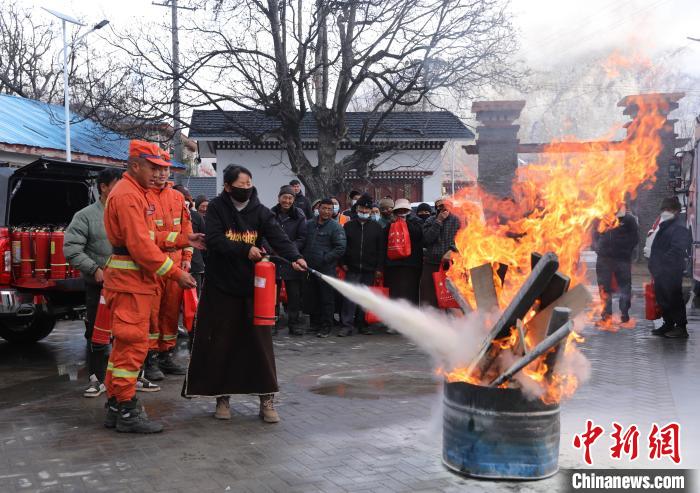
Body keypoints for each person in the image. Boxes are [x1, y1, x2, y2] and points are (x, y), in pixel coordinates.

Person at [185, 166, 307, 423]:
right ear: (228, 187)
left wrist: (295, 257)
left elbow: (279, 238)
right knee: (222, 342)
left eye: (249, 184)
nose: (246, 189)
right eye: (241, 185)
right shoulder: (217, 208)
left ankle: (267, 399)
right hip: (220, 286)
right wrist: (244, 249)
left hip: (253, 288)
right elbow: (214, 239)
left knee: (259, 344)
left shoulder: (261, 212)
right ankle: (222, 397)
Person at [102, 140, 200, 433]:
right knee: (132, 345)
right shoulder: (128, 195)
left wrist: (184, 240)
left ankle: (116, 404)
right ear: (135, 166)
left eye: (162, 168)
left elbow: (150, 237)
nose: (159, 173)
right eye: (153, 167)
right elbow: (141, 246)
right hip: (130, 284)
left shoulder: (135, 192)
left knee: (124, 347)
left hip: (134, 282)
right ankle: (127, 409)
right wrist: (175, 273)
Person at [64, 168, 123, 398]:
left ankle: (129, 377)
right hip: (99, 287)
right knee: (97, 333)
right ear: (104, 187)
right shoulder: (85, 216)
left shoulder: (129, 212)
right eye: (117, 184)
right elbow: (71, 248)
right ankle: (97, 378)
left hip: (127, 285)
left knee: (127, 332)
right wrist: (94, 269)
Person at [143, 165, 194, 381]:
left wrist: (187, 257)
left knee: (171, 312)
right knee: (152, 313)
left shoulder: (177, 197)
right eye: (158, 169)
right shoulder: (143, 195)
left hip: (176, 264)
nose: (163, 173)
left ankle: (166, 354)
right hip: (153, 264)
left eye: (166, 169)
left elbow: (186, 229)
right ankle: (150, 358)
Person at [339, 194, 385, 336]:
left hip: (369, 269)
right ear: (357, 208)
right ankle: (346, 325)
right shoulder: (348, 226)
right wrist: (343, 262)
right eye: (361, 208)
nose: (364, 211)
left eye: (367, 209)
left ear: (371, 211)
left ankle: (363, 324)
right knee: (349, 298)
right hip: (351, 268)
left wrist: (379, 268)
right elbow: (342, 246)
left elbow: (381, 250)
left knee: (365, 298)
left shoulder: (377, 228)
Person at [648, 196, 692, 339]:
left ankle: (681, 327)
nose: (665, 212)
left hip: (671, 270)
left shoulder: (679, 227)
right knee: (663, 298)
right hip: (661, 270)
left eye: (668, 209)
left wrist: (661, 262)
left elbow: (677, 249)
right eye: (664, 209)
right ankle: (668, 323)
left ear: (676, 211)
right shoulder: (665, 225)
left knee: (674, 298)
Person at [302, 198, 346, 338]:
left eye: (329, 209)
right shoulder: (309, 224)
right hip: (309, 268)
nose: (326, 211)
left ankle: (326, 326)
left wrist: (325, 259)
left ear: (333, 211)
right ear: (318, 209)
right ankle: (314, 324)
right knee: (312, 296)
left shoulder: (335, 227)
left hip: (326, 269)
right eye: (324, 208)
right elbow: (302, 241)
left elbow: (340, 248)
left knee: (327, 299)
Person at [270, 185, 307, 336]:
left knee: (294, 295)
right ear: (279, 198)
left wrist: (289, 250)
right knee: (272, 295)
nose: (287, 201)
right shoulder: (270, 214)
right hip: (274, 259)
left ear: (294, 200)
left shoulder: (299, 216)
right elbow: (264, 235)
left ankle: (294, 324)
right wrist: (273, 250)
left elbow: (302, 238)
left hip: (293, 260)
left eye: (290, 198)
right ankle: (272, 323)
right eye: (284, 197)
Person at [593, 206, 639, 324]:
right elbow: (594, 236)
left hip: (622, 258)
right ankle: (606, 315)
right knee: (604, 287)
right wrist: (597, 248)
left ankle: (624, 313)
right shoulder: (600, 218)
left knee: (625, 286)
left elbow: (635, 238)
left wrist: (626, 251)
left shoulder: (628, 219)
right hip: (604, 259)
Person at [421, 197, 460, 307]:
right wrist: (438, 221)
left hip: (451, 264)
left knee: (451, 296)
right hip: (432, 263)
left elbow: (463, 239)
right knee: (430, 295)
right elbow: (427, 239)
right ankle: (431, 315)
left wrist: (452, 250)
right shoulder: (430, 220)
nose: (443, 208)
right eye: (440, 206)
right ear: (436, 208)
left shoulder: (457, 220)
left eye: (446, 206)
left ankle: (452, 316)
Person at [384, 198, 423, 308]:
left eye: (404, 210)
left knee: (411, 295)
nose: (402, 212)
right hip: (394, 266)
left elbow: (418, 235)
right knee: (395, 296)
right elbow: (384, 242)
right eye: (399, 210)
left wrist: (404, 223)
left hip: (412, 265)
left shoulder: (416, 222)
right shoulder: (390, 224)